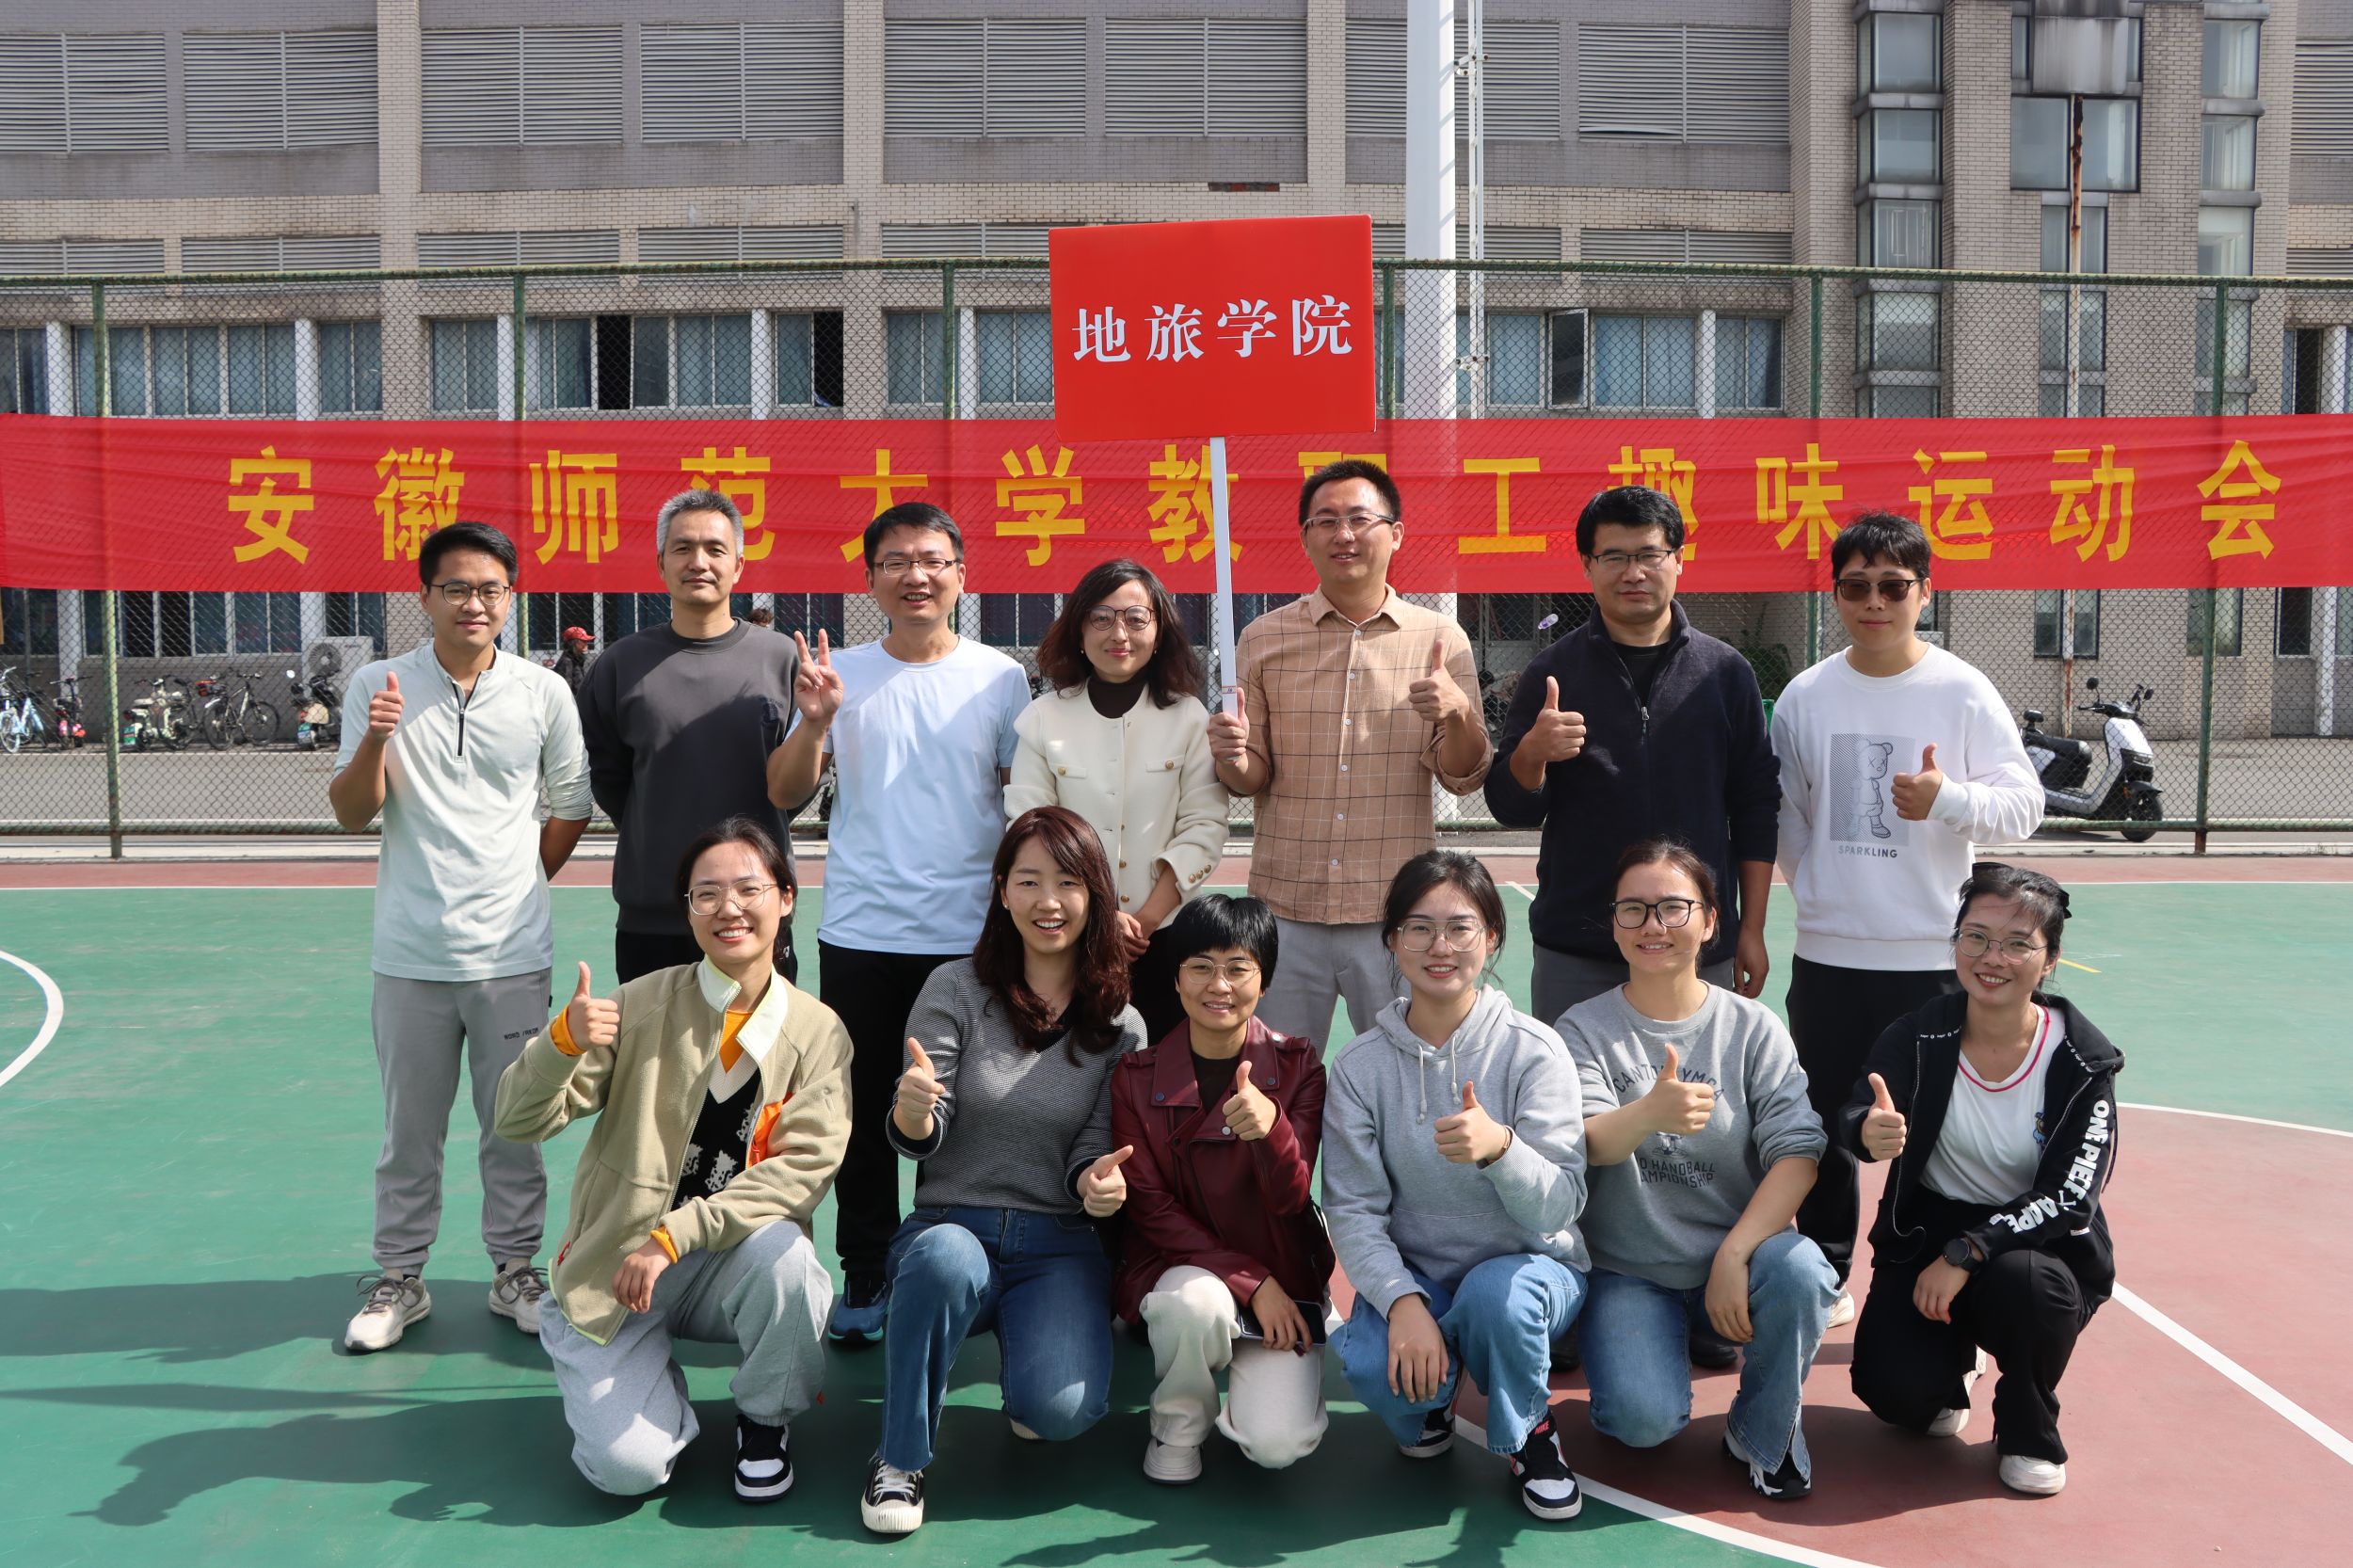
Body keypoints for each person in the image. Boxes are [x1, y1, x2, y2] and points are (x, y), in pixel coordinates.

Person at [493, 820, 850, 1501]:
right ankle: (633, 1375)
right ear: (688, 911)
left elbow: (801, 1173)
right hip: (618, 1267)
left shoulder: (817, 1032)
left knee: (791, 1264)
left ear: (786, 897)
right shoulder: (639, 1004)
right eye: (705, 894)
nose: (728, 908)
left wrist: (673, 1237)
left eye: (748, 889)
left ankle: (765, 1420)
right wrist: (559, 1045)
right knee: (627, 1471)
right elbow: (517, 1120)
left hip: (720, 1260)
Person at [764, 502, 1032, 1345]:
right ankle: (869, 1266)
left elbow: (1017, 801)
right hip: (863, 931)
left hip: (971, 936)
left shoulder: (1000, 678)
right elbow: (784, 792)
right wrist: (816, 722)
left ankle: (963, 1262)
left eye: (933, 560)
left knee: (972, 1110)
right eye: (897, 562)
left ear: (961, 574)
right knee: (862, 1111)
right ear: (871, 579)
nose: (917, 576)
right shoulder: (836, 673)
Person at [1770, 511, 2042, 1324]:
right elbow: (1790, 816)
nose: (1875, 602)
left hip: (1931, 959)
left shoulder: (1962, 690)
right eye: (1857, 586)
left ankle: (1933, 1279)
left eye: (1894, 586)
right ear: (1835, 594)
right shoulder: (1806, 696)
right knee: (1829, 1121)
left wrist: (1948, 799)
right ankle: (1826, 1274)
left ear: (1926, 592)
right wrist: (1821, 892)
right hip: (1830, 955)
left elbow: (2024, 806)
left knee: (1936, 1131)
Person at [327, 520, 592, 1352]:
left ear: (510, 598)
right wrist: (378, 737)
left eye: (489, 589)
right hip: (410, 957)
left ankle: (515, 1270)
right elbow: (350, 813)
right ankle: (400, 1278)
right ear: (425, 596)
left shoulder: (543, 691)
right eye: (456, 589)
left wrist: (519, 885)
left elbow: (570, 805)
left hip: (513, 957)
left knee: (515, 1125)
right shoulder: (378, 684)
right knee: (410, 1133)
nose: (473, 604)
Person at [860, 807, 1148, 1535]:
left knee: (1061, 1412)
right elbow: (921, 1130)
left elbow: (1095, 1145)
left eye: (1068, 882)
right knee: (944, 1263)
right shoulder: (954, 989)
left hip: (1059, 1243)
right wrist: (914, 1110)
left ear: (1095, 894)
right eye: (1029, 880)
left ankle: (1026, 1373)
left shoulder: (1122, 1022)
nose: (1049, 901)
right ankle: (899, 1459)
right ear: (1001, 889)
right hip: (952, 1226)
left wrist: (1097, 1185)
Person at [1555, 840, 1836, 1502]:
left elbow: (1799, 1152)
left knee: (1801, 1271)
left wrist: (1735, 1254)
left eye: (1673, 908)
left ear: (1711, 921)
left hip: (1736, 1263)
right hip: (1631, 1270)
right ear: (1614, 924)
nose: (1653, 924)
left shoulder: (1753, 1028)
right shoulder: (1583, 1028)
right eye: (1633, 909)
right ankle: (1646, 1349)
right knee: (1641, 1424)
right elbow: (1589, 1142)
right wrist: (1649, 1112)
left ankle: (1762, 1429)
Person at [1322, 850, 1591, 1522]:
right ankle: (1434, 1395)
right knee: (1372, 1368)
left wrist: (1501, 1149)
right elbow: (1352, 1211)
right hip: (1422, 1273)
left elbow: (1562, 1203)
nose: (1439, 947)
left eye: (1460, 927)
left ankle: (1531, 1430)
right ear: (1392, 940)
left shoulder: (1534, 1050)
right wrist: (1402, 1301)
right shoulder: (1358, 1067)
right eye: (1418, 928)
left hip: (1529, 1270)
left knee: (1497, 1299)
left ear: (1492, 936)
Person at [1843, 864, 2121, 1497]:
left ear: (2049, 960)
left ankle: (2028, 1431)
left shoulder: (2081, 1060)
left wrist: (1967, 1252)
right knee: (1898, 1398)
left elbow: (2071, 1196)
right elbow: (1862, 1107)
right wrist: (1867, 1130)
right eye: (1976, 937)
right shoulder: (1920, 1034)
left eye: (2018, 943)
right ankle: (1953, 1363)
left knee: (2027, 1288)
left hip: (2036, 1244)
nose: (1993, 958)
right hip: (1928, 1231)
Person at [1205, 458, 1491, 1052]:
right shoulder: (1263, 637)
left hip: (1396, 912)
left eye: (1360, 519)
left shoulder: (1441, 640)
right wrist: (1231, 755)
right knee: (1274, 1074)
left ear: (1396, 533)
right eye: (1326, 521)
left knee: (1409, 1068)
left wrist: (1459, 712)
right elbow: (1250, 777)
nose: (1344, 535)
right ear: (1305, 537)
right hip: (1286, 906)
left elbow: (1463, 775)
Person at [1485, 486, 1779, 1020]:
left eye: (1649, 554)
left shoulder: (1724, 673)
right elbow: (1512, 807)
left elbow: (1756, 807)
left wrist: (1751, 928)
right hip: (1578, 947)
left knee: (1698, 1077)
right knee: (1571, 1079)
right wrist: (1532, 752)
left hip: (1694, 943)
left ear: (1679, 559)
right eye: (1614, 557)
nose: (1633, 572)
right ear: (1587, 565)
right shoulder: (1553, 672)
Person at [1110, 894, 1334, 1484]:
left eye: (1238, 967)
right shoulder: (1134, 1077)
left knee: (1277, 1444)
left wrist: (1271, 1130)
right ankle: (1179, 1426)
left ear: (1265, 978)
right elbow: (1151, 1210)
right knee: (1190, 1305)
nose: (1219, 985)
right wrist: (1252, 1282)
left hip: (1283, 1276)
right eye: (1200, 966)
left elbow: (1290, 1199)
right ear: (1175, 977)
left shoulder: (1300, 1068)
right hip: (1186, 1271)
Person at [578, 488, 807, 986]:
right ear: (661, 563)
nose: (698, 562)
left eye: (714, 549)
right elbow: (610, 780)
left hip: (753, 912)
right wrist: (659, 826)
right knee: (653, 1040)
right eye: (682, 548)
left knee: (759, 1039)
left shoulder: (783, 660)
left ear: (738, 566)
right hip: (653, 914)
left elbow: (796, 787)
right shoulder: (620, 665)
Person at [1008, 558, 1229, 1043]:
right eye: (1102, 618)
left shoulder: (1189, 718)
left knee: (1161, 1068)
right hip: (1067, 935)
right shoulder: (1043, 718)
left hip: (1163, 937)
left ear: (1160, 631)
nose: (1119, 634)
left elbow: (1203, 828)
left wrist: (1143, 922)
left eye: (1136, 618)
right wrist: (1098, 918)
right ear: (1079, 630)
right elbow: (1029, 826)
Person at [552, 626, 594, 696]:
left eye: (587, 641)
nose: (586, 643)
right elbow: (565, 689)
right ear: (573, 643)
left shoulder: (578, 659)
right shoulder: (567, 662)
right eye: (583, 641)